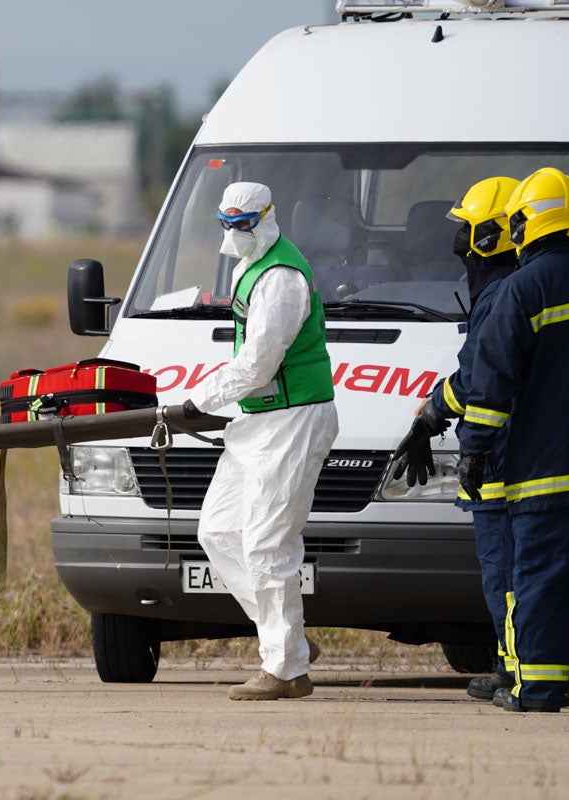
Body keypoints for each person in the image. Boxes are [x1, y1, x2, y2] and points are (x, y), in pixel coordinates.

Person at [181, 181, 338, 700]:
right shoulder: (250, 264)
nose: (233, 234)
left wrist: (197, 401)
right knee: (219, 531)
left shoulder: (281, 278)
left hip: (293, 421)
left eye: (242, 224)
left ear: (266, 219)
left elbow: (258, 363)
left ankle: (286, 671)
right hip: (257, 422)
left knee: (269, 543)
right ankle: (287, 638)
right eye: (225, 224)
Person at [392, 176, 521, 703]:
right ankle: (515, 664)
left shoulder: (501, 296)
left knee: (507, 575)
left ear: (489, 237)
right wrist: (432, 414)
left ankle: (515, 671)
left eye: (466, 231)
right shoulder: (518, 289)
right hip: (522, 454)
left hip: (501, 461)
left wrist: (432, 421)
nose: (460, 245)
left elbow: (478, 381)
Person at [458, 166, 569, 713]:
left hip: (546, 469)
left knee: (540, 578)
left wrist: (475, 448)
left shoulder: (521, 289)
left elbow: (490, 384)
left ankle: (539, 688)